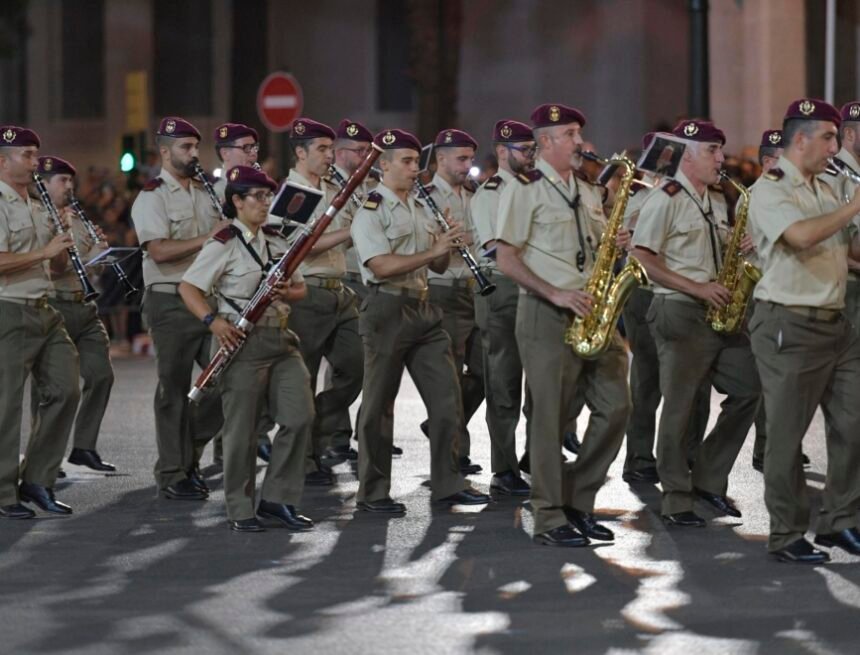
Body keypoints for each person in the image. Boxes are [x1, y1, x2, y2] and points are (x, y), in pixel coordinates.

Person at [496, 104, 631, 547]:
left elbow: (593, 251)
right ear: (546, 142)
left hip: (593, 310)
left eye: (579, 133)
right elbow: (506, 257)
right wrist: (553, 293)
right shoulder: (523, 189)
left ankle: (579, 498)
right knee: (552, 417)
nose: (580, 142)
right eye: (571, 134)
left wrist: (617, 244)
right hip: (546, 312)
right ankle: (549, 514)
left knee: (616, 407)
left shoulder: (590, 191)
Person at [350, 128, 490, 514]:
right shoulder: (371, 210)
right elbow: (379, 266)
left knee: (448, 399)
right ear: (384, 165)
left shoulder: (421, 205)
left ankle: (448, 482)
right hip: (387, 309)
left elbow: (439, 263)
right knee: (379, 406)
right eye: (407, 162)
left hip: (424, 308)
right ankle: (373, 492)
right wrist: (433, 250)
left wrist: (448, 242)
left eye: (417, 161)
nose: (416, 169)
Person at [632, 119, 761, 527]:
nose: (721, 158)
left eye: (720, 150)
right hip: (678, 311)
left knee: (750, 387)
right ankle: (675, 496)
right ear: (687, 154)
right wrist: (696, 287)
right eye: (712, 150)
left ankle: (706, 477)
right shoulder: (664, 197)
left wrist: (737, 248)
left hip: (715, 310)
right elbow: (643, 257)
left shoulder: (717, 199)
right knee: (682, 405)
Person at [748, 98, 860, 563]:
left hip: (837, 323)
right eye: (829, 137)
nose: (837, 146)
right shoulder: (770, 188)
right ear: (801, 139)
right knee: (787, 435)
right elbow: (800, 237)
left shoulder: (826, 185)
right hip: (788, 324)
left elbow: (848, 245)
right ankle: (787, 532)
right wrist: (855, 204)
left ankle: (840, 521)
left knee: (853, 424)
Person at [179, 165, 314, 532]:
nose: (265, 202)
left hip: (282, 339)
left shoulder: (276, 239)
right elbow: (188, 288)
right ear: (236, 201)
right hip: (241, 341)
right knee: (241, 429)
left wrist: (289, 292)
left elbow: (300, 288)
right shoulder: (223, 243)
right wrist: (213, 322)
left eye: (268, 196)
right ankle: (240, 507)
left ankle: (278, 499)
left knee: (300, 416)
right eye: (257, 196)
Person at [131, 116, 227, 501]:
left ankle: (185, 454)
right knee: (173, 389)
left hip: (208, 296)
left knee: (226, 379)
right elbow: (158, 250)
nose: (193, 154)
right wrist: (209, 237)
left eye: (195, 147)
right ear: (165, 152)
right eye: (185, 148)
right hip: (169, 299)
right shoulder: (151, 197)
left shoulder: (208, 193)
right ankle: (173, 472)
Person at [0, 125, 80, 519]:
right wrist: (43, 251)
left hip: (45, 307)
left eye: (35, 155)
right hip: (9, 308)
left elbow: (58, 264)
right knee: (6, 406)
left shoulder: (37, 204)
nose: (35, 163)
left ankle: (37, 478)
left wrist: (63, 240)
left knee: (67, 389)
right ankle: (2, 493)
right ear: (3, 161)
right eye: (27, 156)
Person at [622, 133, 710, 484]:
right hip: (645, 292)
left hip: (687, 295)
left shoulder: (704, 198)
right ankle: (640, 456)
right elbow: (627, 238)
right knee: (646, 379)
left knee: (692, 382)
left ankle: (687, 454)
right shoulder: (642, 196)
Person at [284, 118, 363, 486]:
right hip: (308, 291)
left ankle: (319, 429)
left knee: (356, 365)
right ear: (300, 152)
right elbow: (304, 246)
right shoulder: (293, 192)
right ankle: (302, 458)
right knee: (306, 376)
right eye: (322, 149)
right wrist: (356, 227)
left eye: (332, 149)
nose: (330, 156)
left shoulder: (335, 187)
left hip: (341, 289)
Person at [31, 156, 116, 473]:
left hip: (85, 305)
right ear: (44, 184)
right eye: (62, 181)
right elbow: (55, 267)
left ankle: (83, 446)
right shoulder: (38, 218)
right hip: (54, 303)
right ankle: (43, 453)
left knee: (101, 375)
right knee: (50, 387)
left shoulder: (77, 218)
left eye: (70, 181)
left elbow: (94, 261)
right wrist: (62, 235)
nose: (69, 186)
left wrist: (102, 249)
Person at [471, 119, 535, 496]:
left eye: (532, 149)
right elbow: (494, 246)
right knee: (504, 381)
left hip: (535, 286)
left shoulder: (535, 190)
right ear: (501, 152)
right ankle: (504, 467)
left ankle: (535, 455)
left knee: (542, 380)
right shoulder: (490, 194)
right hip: (504, 287)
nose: (530, 156)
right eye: (524, 150)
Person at [421, 129, 484, 475]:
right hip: (443, 288)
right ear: (441, 159)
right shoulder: (426, 197)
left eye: (471, 159)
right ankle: (453, 451)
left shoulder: (475, 195)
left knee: (485, 370)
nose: (468, 165)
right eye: (461, 158)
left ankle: (443, 426)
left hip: (475, 288)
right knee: (450, 370)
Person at [210, 122, 270, 466]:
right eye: (245, 147)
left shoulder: (262, 189)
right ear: (225, 153)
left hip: (257, 292)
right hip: (222, 293)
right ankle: (207, 447)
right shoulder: (213, 192)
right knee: (221, 381)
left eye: (255, 147)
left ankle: (246, 441)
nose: (252, 153)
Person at [329, 119, 377, 461]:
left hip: (364, 276)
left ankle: (358, 432)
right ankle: (333, 433)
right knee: (345, 362)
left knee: (363, 363)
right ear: (339, 151)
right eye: (359, 151)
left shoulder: (365, 186)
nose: (365, 157)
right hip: (342, 274)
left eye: (367, 152)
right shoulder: (331, 185)